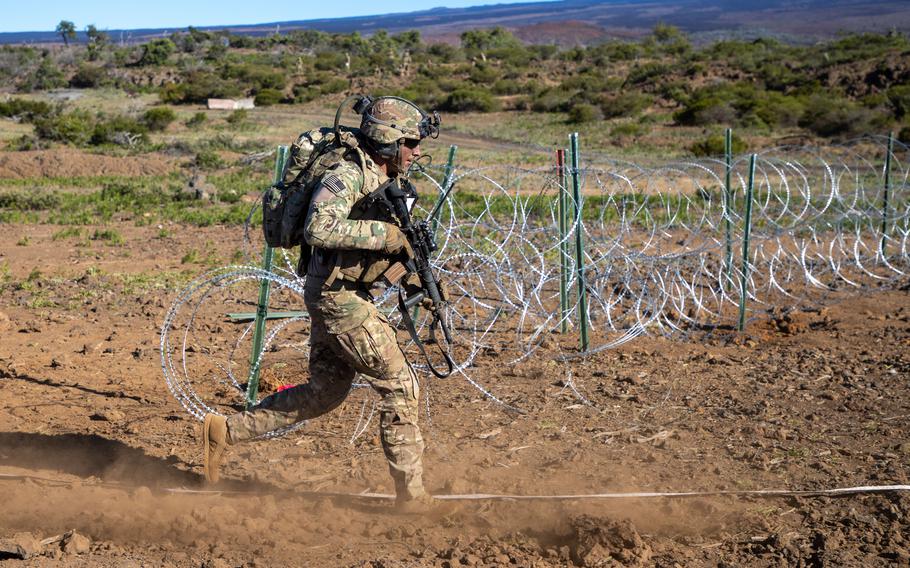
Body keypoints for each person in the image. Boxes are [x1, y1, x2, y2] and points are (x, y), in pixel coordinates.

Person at [202, 96, 440, 509]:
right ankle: (412, 498)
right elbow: (320, 227)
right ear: (388, 141)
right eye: (410, 142)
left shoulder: (382, 178)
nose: (416, 151)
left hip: (345, 294)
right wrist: (386, 237)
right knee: (400, 385)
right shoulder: (347, 174)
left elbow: (378, 252)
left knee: (326, 392)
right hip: (338, 300)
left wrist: (411, 274)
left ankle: (225, 431)